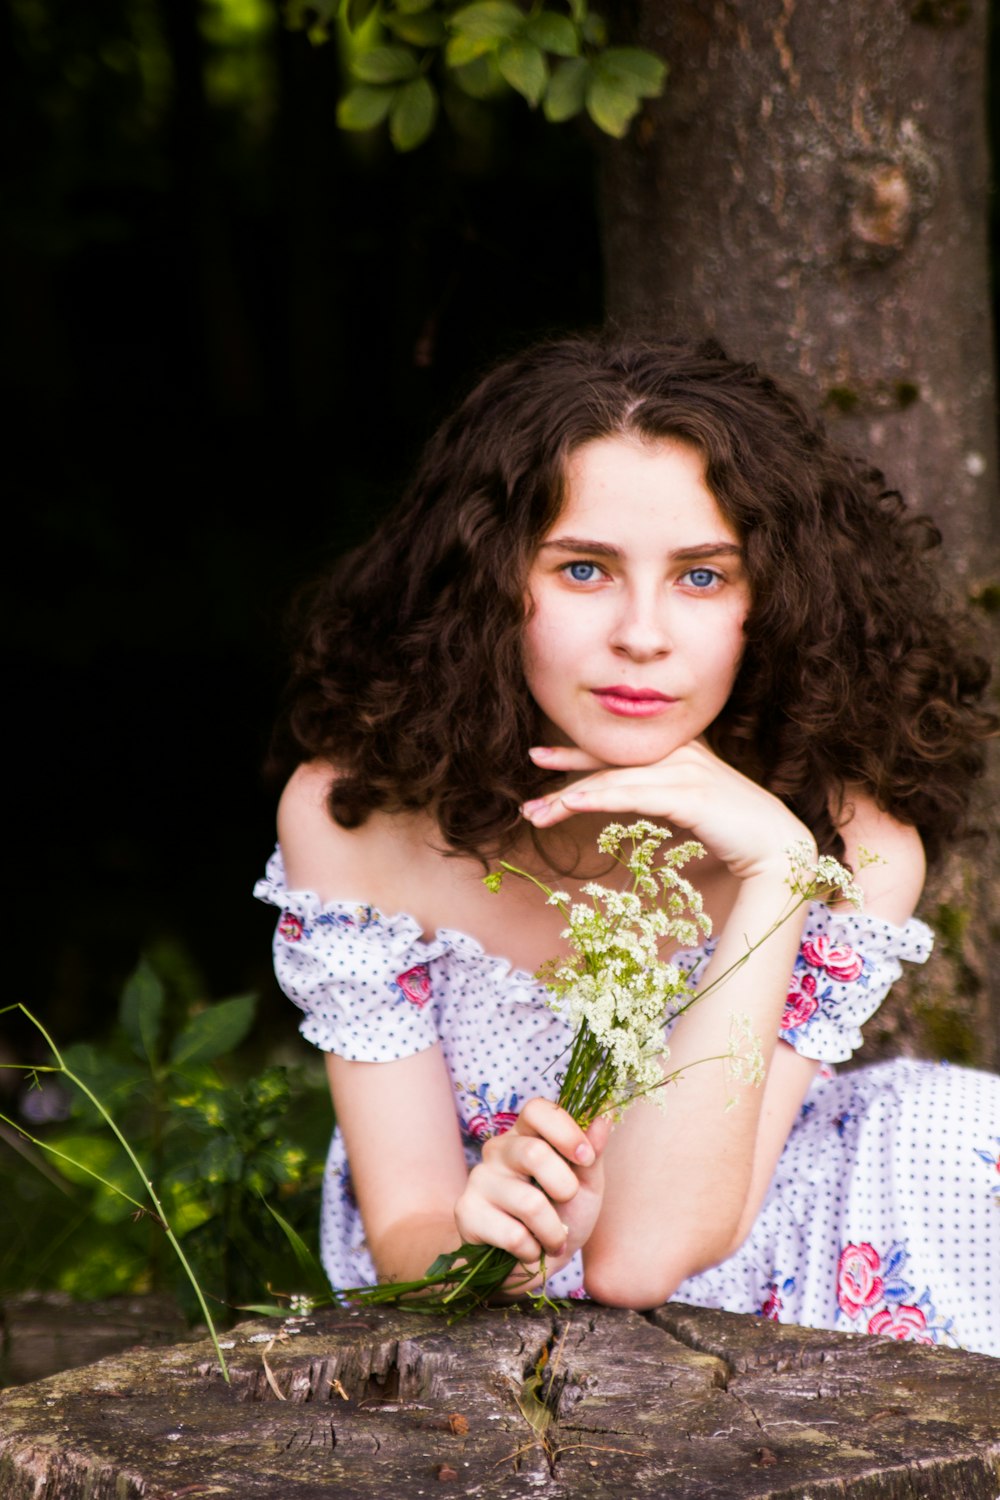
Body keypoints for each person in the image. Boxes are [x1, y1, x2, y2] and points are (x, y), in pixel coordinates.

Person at [255, 336, 1000, 1356]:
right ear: (487, 582)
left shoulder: (850, 842)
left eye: (700, 577)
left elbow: (637, 1261)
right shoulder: (359, 818)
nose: (641, 634)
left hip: (819, 1262)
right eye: (583, 568)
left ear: (770, 604)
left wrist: (775, 874)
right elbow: (408, 1229)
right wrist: (479, 1252)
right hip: (503, 1340)